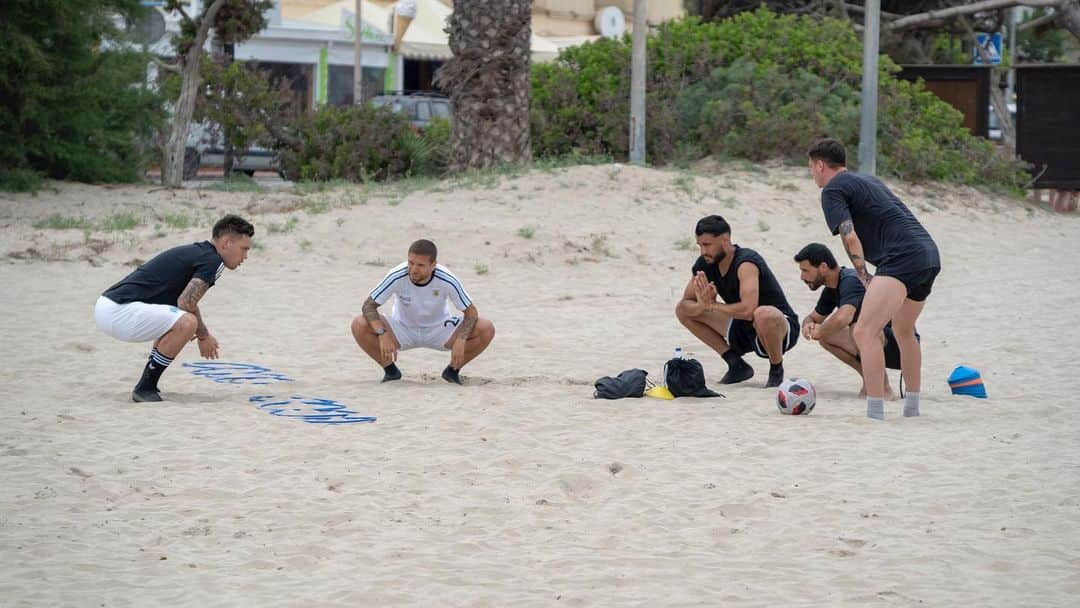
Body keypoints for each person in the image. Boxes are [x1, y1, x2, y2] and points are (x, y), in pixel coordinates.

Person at [808, 138, 940, 419]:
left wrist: (864, 275)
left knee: (864, 332)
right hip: (928, 254)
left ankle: (876, 410)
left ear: (820, 165)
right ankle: (912, 409)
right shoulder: (868, 180)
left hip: (900, 259)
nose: (812, 174)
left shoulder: (832, 190)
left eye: (811, 168)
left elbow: (849, 235)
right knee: (904, 330)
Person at [94, 215, 254, 402]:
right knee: (187, 322)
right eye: (244, 249)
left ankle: (149, 384)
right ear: (226, 243)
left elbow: (178, 304)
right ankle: (144, 388)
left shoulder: (200, 253)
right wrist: (204, 336)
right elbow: (186, 302)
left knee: (176, 318)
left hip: (109, 306)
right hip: (119, 310)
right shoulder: (213, 261)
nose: (245, 256)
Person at [675, 215, 799, 388]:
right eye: (700, 245)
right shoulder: (705, 264)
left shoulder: (745, 262)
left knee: (762, 313)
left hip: (780, 328)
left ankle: (776, 370)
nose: (703, 251)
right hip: (742, 327)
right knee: (682, 310)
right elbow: (686, 304)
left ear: (725, 240)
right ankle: (736, 364)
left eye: (707, 245)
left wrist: (713, 305)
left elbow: (749, 310)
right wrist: (702, 306)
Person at [351, 239, 494, 384]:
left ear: (433, 265)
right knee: (359, 323)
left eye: (420, 265)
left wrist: (461, 339)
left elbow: (471, 312)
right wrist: (382, 334)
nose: (413, 269)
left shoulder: (447, 279)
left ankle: (452, 371)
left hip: (439, 329)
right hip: (402, 329)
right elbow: (368, 306)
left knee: (486, 327)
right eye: (411, 263)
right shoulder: (397, 275)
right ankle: (391, 371)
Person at [795, 242, 915, 400]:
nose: (802, 277)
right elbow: (813, 317)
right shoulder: (831, 289)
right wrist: (808, 325)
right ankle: (869, 380)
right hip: (879, 340)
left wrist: (820, 330)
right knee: (829, 336)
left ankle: (882, 389)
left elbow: (845, 316)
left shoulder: (850, 280)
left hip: (900, 344)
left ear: (823, 267)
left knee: (858, 328)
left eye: (805, 270)